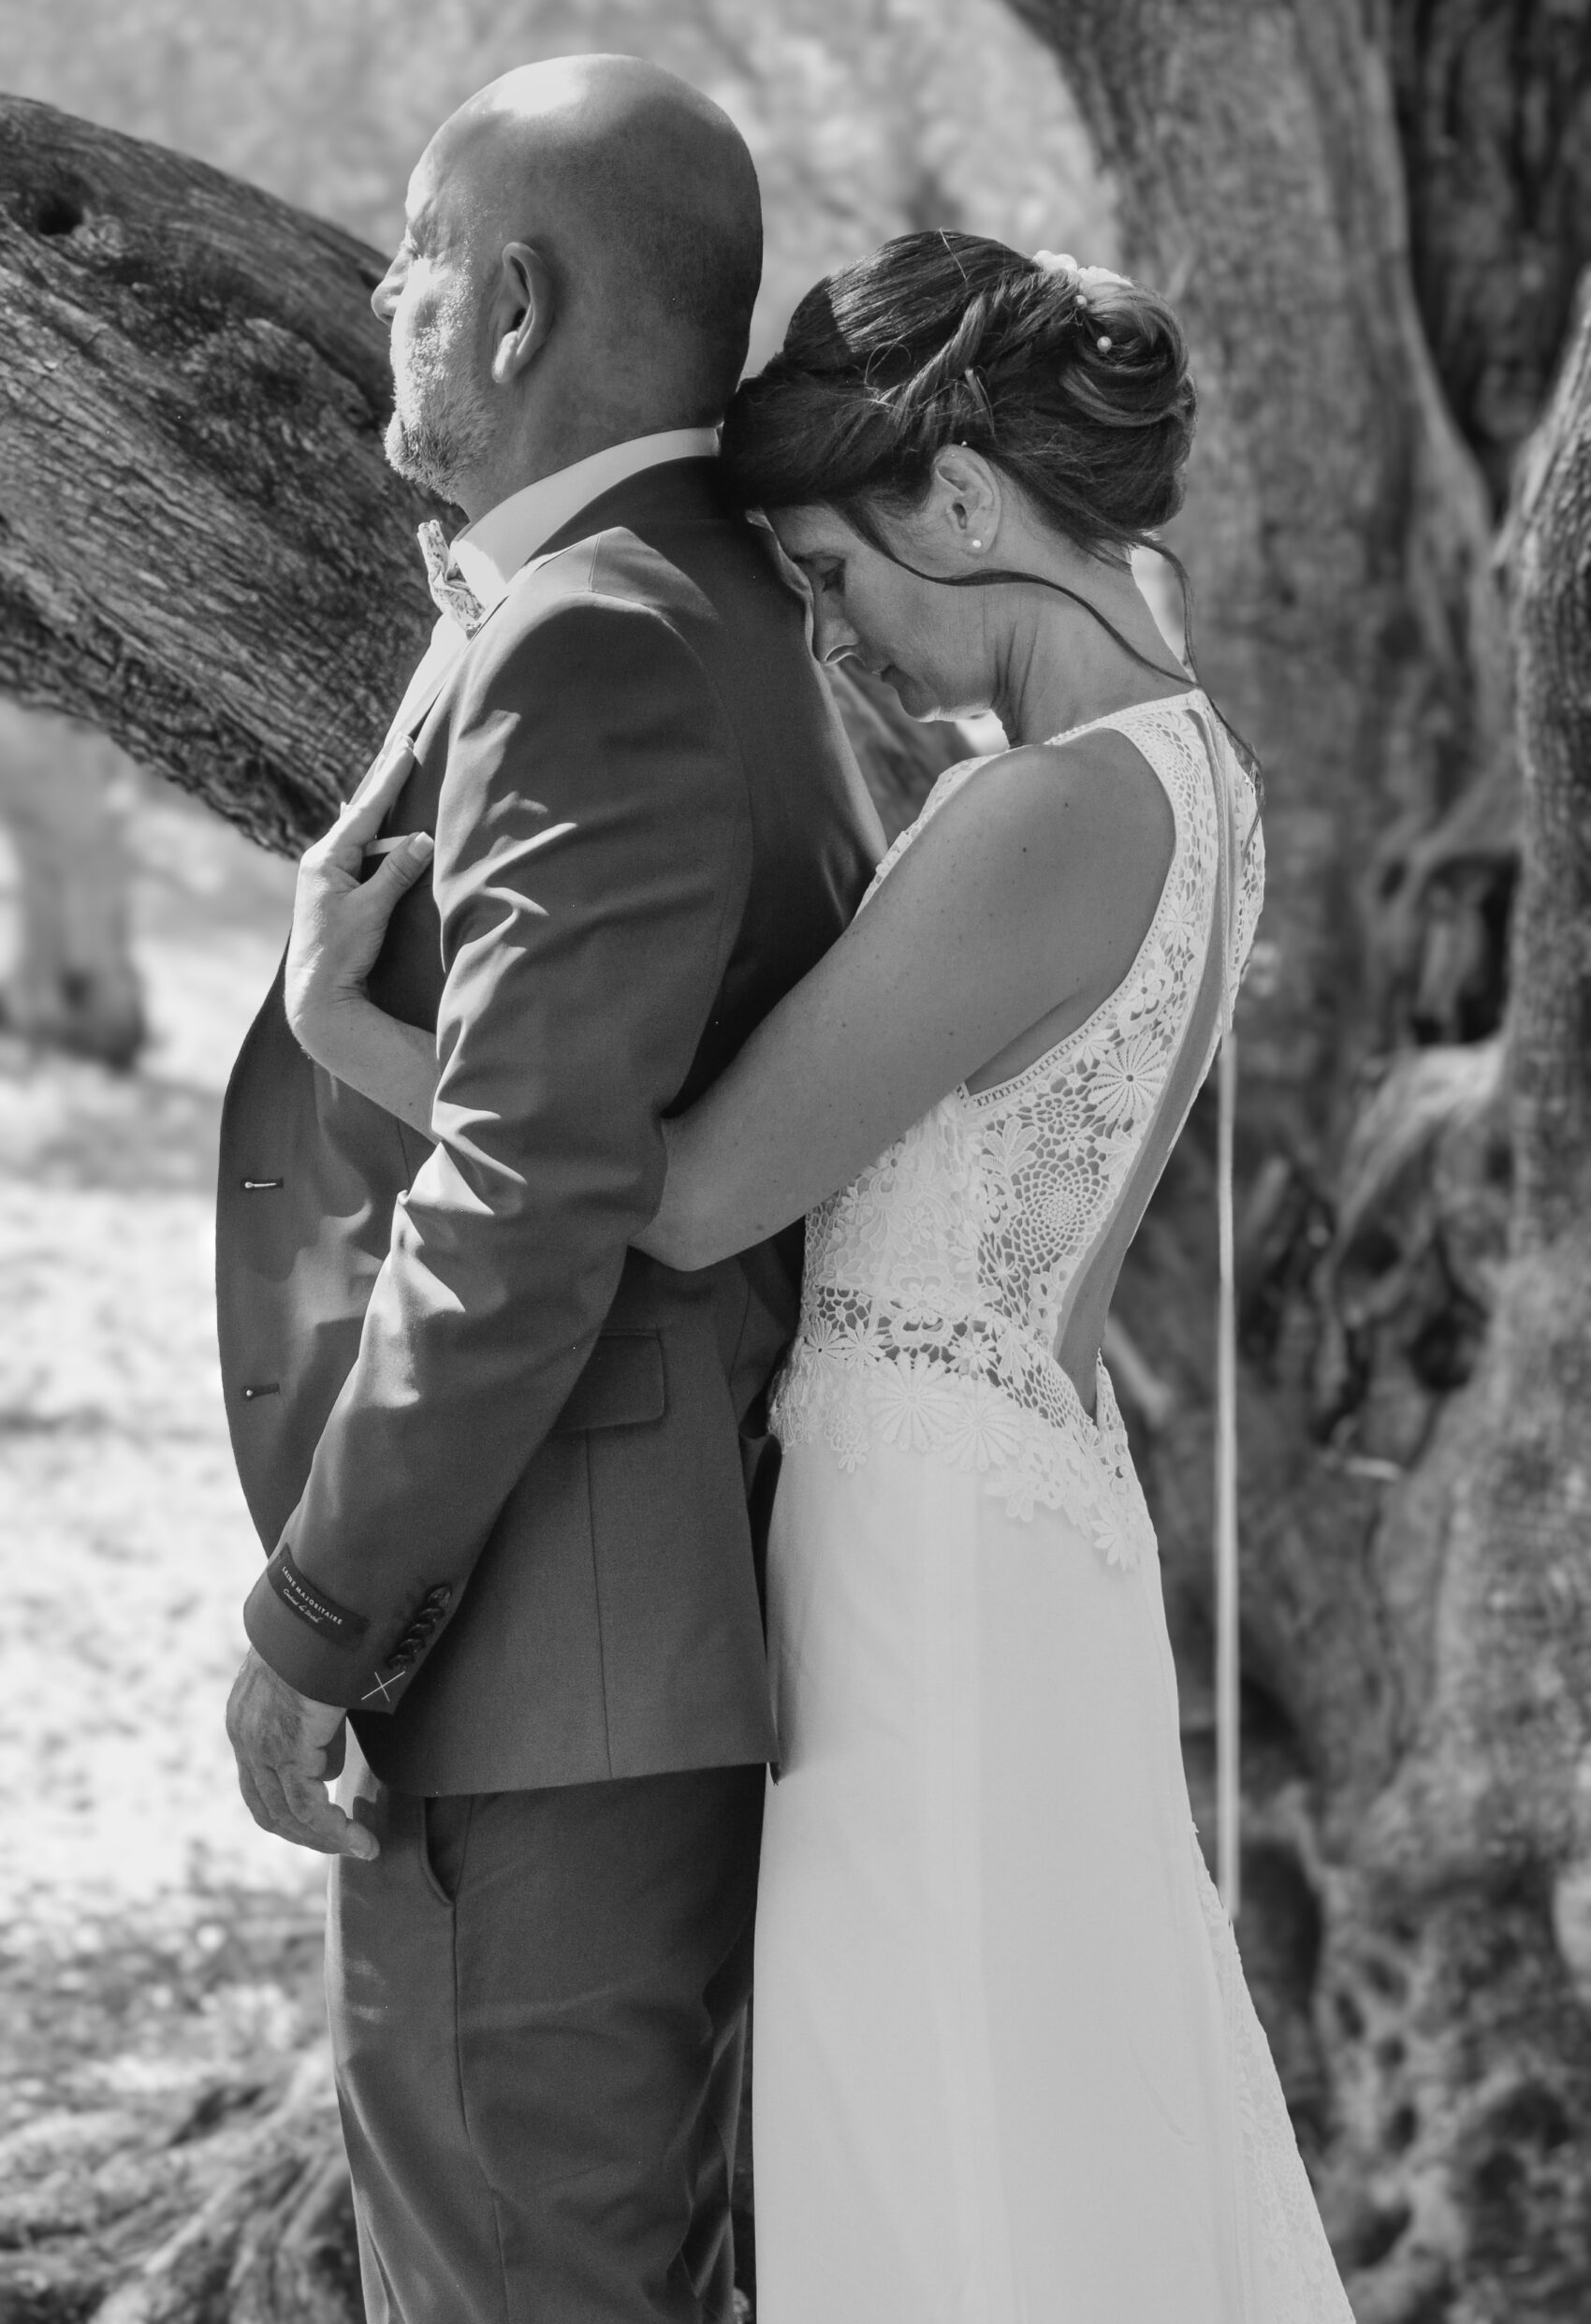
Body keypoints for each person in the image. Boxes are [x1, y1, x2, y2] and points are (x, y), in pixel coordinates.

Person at [295, 226, 1360, 2323]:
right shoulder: (1187, 772)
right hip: (1000, 1513)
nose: (841, 636)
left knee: (938, 2155)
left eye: (838, 573)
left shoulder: (1036, 814)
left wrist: (357, 1041)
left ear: (962, 503)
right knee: (1011, 2119)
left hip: (921, 1576)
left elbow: (685, 1195)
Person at [217, 56, 881, 2324]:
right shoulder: (675, 597)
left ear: (511, 306)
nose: (382, 292)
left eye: (412, 252)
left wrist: (313, 1617)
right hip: (597, 1637)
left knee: (526, 2280)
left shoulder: (600, 633)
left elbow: (520, 1200)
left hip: (539, 1649)